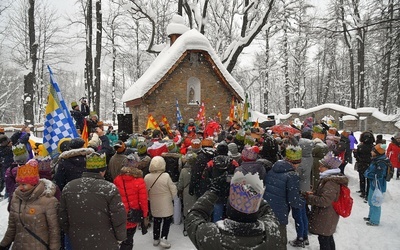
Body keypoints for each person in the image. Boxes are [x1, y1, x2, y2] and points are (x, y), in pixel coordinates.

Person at [185, 170, 282, 249]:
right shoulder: (272, 233)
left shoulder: (211, 236)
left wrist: (214, 191)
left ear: (229, 209)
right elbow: (267, 211)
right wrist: (251, 193)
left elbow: (193, 216)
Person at [59, 152, 127, 249]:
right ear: (103, 170)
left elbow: (63, 217)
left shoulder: (69, 187)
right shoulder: (109, 188)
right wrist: (120, 237)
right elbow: (118, 216)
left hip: (78, 241)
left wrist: (72, 233)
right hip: (106, 241)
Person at [0, 159, 61, 250]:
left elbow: (54, 230)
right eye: (18, 184)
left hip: (39, 246)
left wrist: (54, 248)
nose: (20, 187)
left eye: (24, 184)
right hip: (19, 246)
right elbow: (12, 227)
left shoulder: (48, 201)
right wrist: (4, 244)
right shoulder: (16, 198)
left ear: (33, 183)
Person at [263, 145, 305, 249]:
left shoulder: (274, 168)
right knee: (280, 241)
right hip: (280, 210)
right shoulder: (292, 175)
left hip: (267, 207)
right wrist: (303, 201)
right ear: (296, 162)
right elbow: (293, 199)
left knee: (268, 237)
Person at [306, 151, 348, 250]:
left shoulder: (330, 182)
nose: (319, 168)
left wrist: (309, 198)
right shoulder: (329, 179)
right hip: (327, 215)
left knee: (324, 239)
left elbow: (325, 201)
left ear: (329, 169)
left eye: (322, 166)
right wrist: (315, 194)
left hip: (326, 215)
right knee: (327, 237)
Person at [144, 156, 177, 249]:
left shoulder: (147, 177)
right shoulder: (166, 176)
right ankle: (164, 238)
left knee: (156, 220)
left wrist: (150, 198)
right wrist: (171, 197)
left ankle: (156, 238)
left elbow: (145, 191)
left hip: (154, 202)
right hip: (166, 202)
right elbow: (173, 189)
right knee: (167, 220)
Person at [114, 166, 149, 250]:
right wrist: (144, 215)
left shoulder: (117, 179)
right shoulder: (139, 181)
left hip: (121, 213)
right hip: (133, 214)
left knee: (121, 237)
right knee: (129, 239)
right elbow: (143, 200)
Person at [290, 130, 314, 247]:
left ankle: (301, 237)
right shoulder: (309, 157)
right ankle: (304, 236)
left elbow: (296, 174)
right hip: (304, 188)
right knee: (303, 212)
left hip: (299, 189)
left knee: (298, 215)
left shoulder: (301, 162)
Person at [364, 144, 389, 226]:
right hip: (374, 184)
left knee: (376, 202)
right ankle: (371, 216)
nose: (371, 152)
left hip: (378, 186)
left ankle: (375, 221)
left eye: (373, 151)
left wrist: (368, 174)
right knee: (371, 201)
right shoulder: (377, 159)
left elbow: (379, 175)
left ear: (377, 152)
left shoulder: (381, 162)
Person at [354, 131, 374, 199]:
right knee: (369, 180)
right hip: (370, 165)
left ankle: (363, 191)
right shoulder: (373, 147)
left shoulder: (360, 146)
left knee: (362, 178)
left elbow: (357, 156)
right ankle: (368, 194)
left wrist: (355, 154)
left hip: (362, 164)